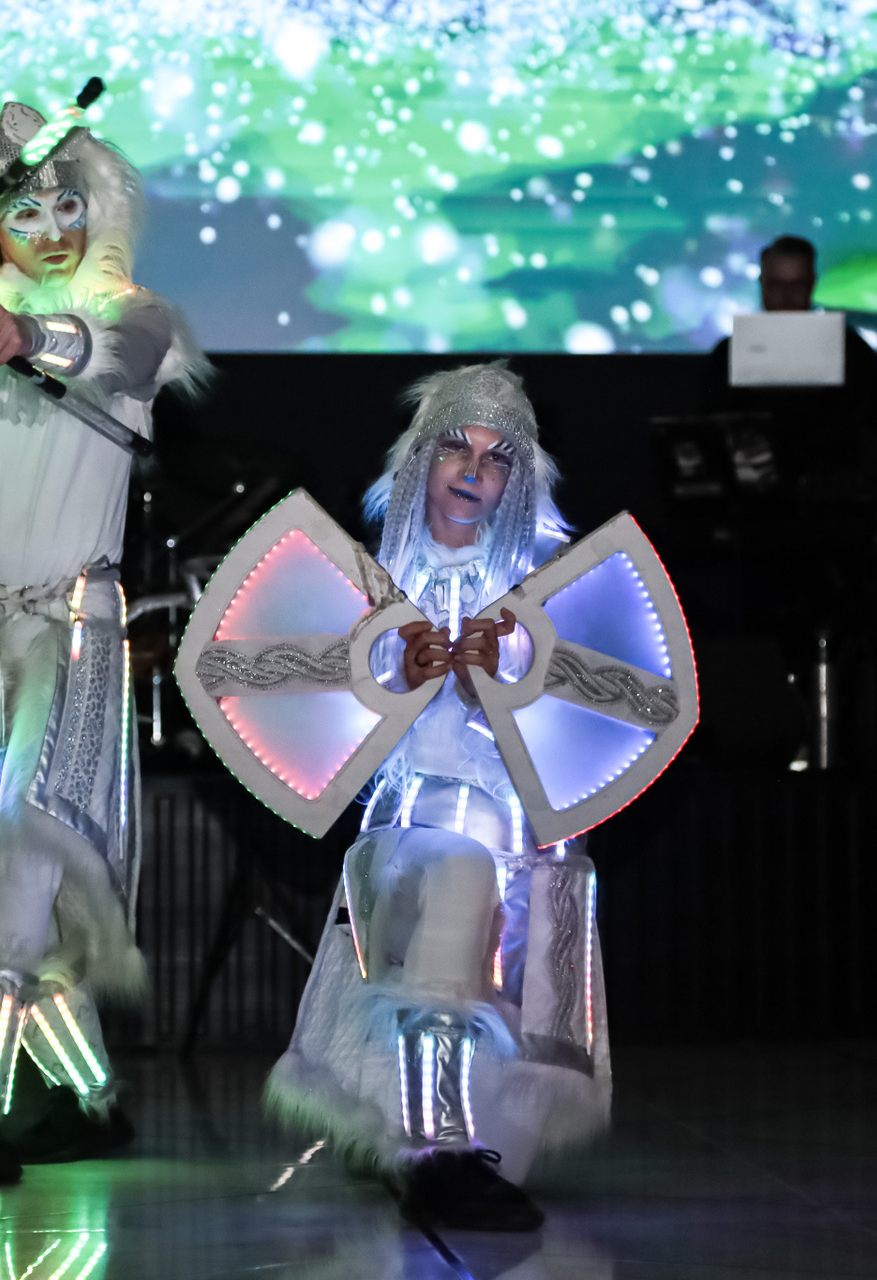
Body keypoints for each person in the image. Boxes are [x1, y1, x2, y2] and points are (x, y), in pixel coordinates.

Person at [0, 101, 207, 1182]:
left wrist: (32, 336)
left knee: (23, 862)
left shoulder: (137, 322)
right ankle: (89, 1097)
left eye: (71, 205)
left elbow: (108, 351)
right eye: (26, 208)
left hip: (69, 638)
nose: (54, 226)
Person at [264, 364, 609, 1232]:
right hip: (412, 830)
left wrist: (516, 672)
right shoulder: (369, 583)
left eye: (497, 458)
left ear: (518, 481)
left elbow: (599, 721)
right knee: (455, 877)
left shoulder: (549, 594)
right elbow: (311, 705)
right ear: (421, 458)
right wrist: (393, 672)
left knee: (513, 1134)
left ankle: (453, 1142)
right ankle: (438, 1151)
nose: (473, 469)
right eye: (456, 447)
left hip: (525, 851)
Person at [701, 235, 877, 485]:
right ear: (762, 284)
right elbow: (706, 427)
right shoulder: (726, 354)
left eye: (797, 285)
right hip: (754, 492)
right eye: (777, 285)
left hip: (833, 494)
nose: (787, 297)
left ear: (812, 284)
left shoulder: (852, 350)